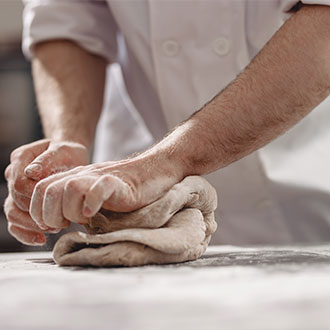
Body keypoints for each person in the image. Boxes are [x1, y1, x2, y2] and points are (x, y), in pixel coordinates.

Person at [4, 0, 330, 246]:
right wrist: (68, 140)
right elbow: (68, 19)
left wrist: (166, 161)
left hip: (308, 182)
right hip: (131, 196)